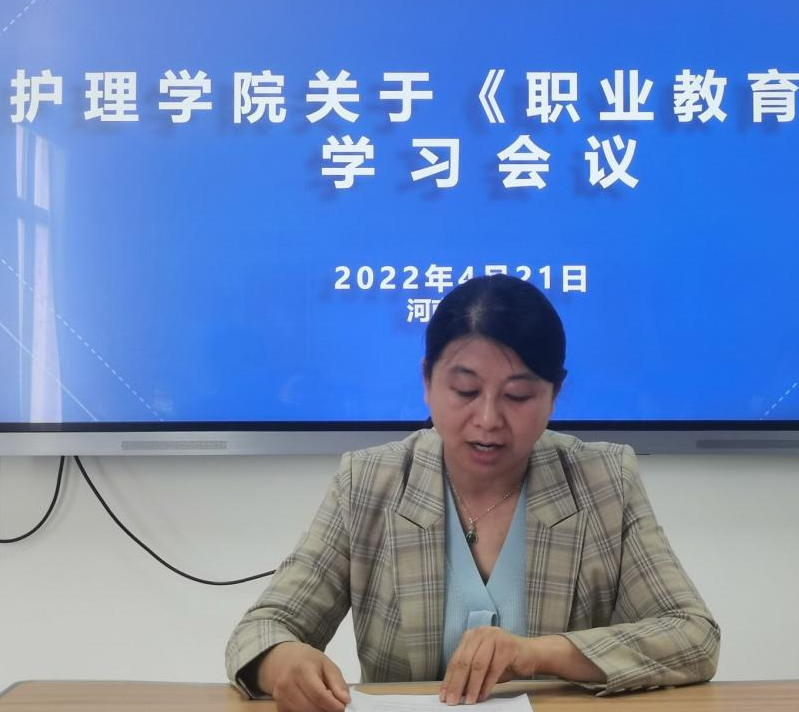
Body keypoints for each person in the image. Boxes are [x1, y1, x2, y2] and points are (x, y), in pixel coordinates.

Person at [226, 275, 719, 711]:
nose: (487, 419)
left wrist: (537, 654)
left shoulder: (603, 481)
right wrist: (282, 661)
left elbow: (693, 636)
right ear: (427, 381)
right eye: (465, 391)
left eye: (518, 395)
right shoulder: (369, 483)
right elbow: (262, 628)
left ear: (554, 393)